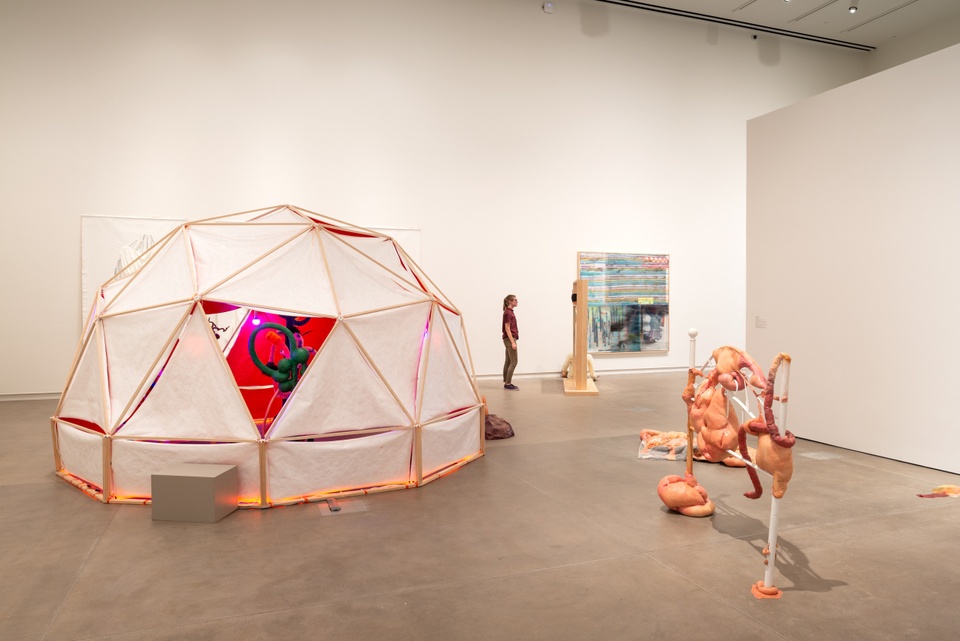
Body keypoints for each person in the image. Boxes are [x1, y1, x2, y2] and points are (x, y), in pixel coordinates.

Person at [502, 294, 519, 390]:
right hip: (510, 338)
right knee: (514, 362)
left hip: (509, 338)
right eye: (515, 300)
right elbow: (507, 328)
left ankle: (506, 381)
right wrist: (513, 342)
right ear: (509, 301)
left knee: (508, 361)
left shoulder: (509, 312)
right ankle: (508, 383)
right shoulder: (508, 313)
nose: (517, 302)